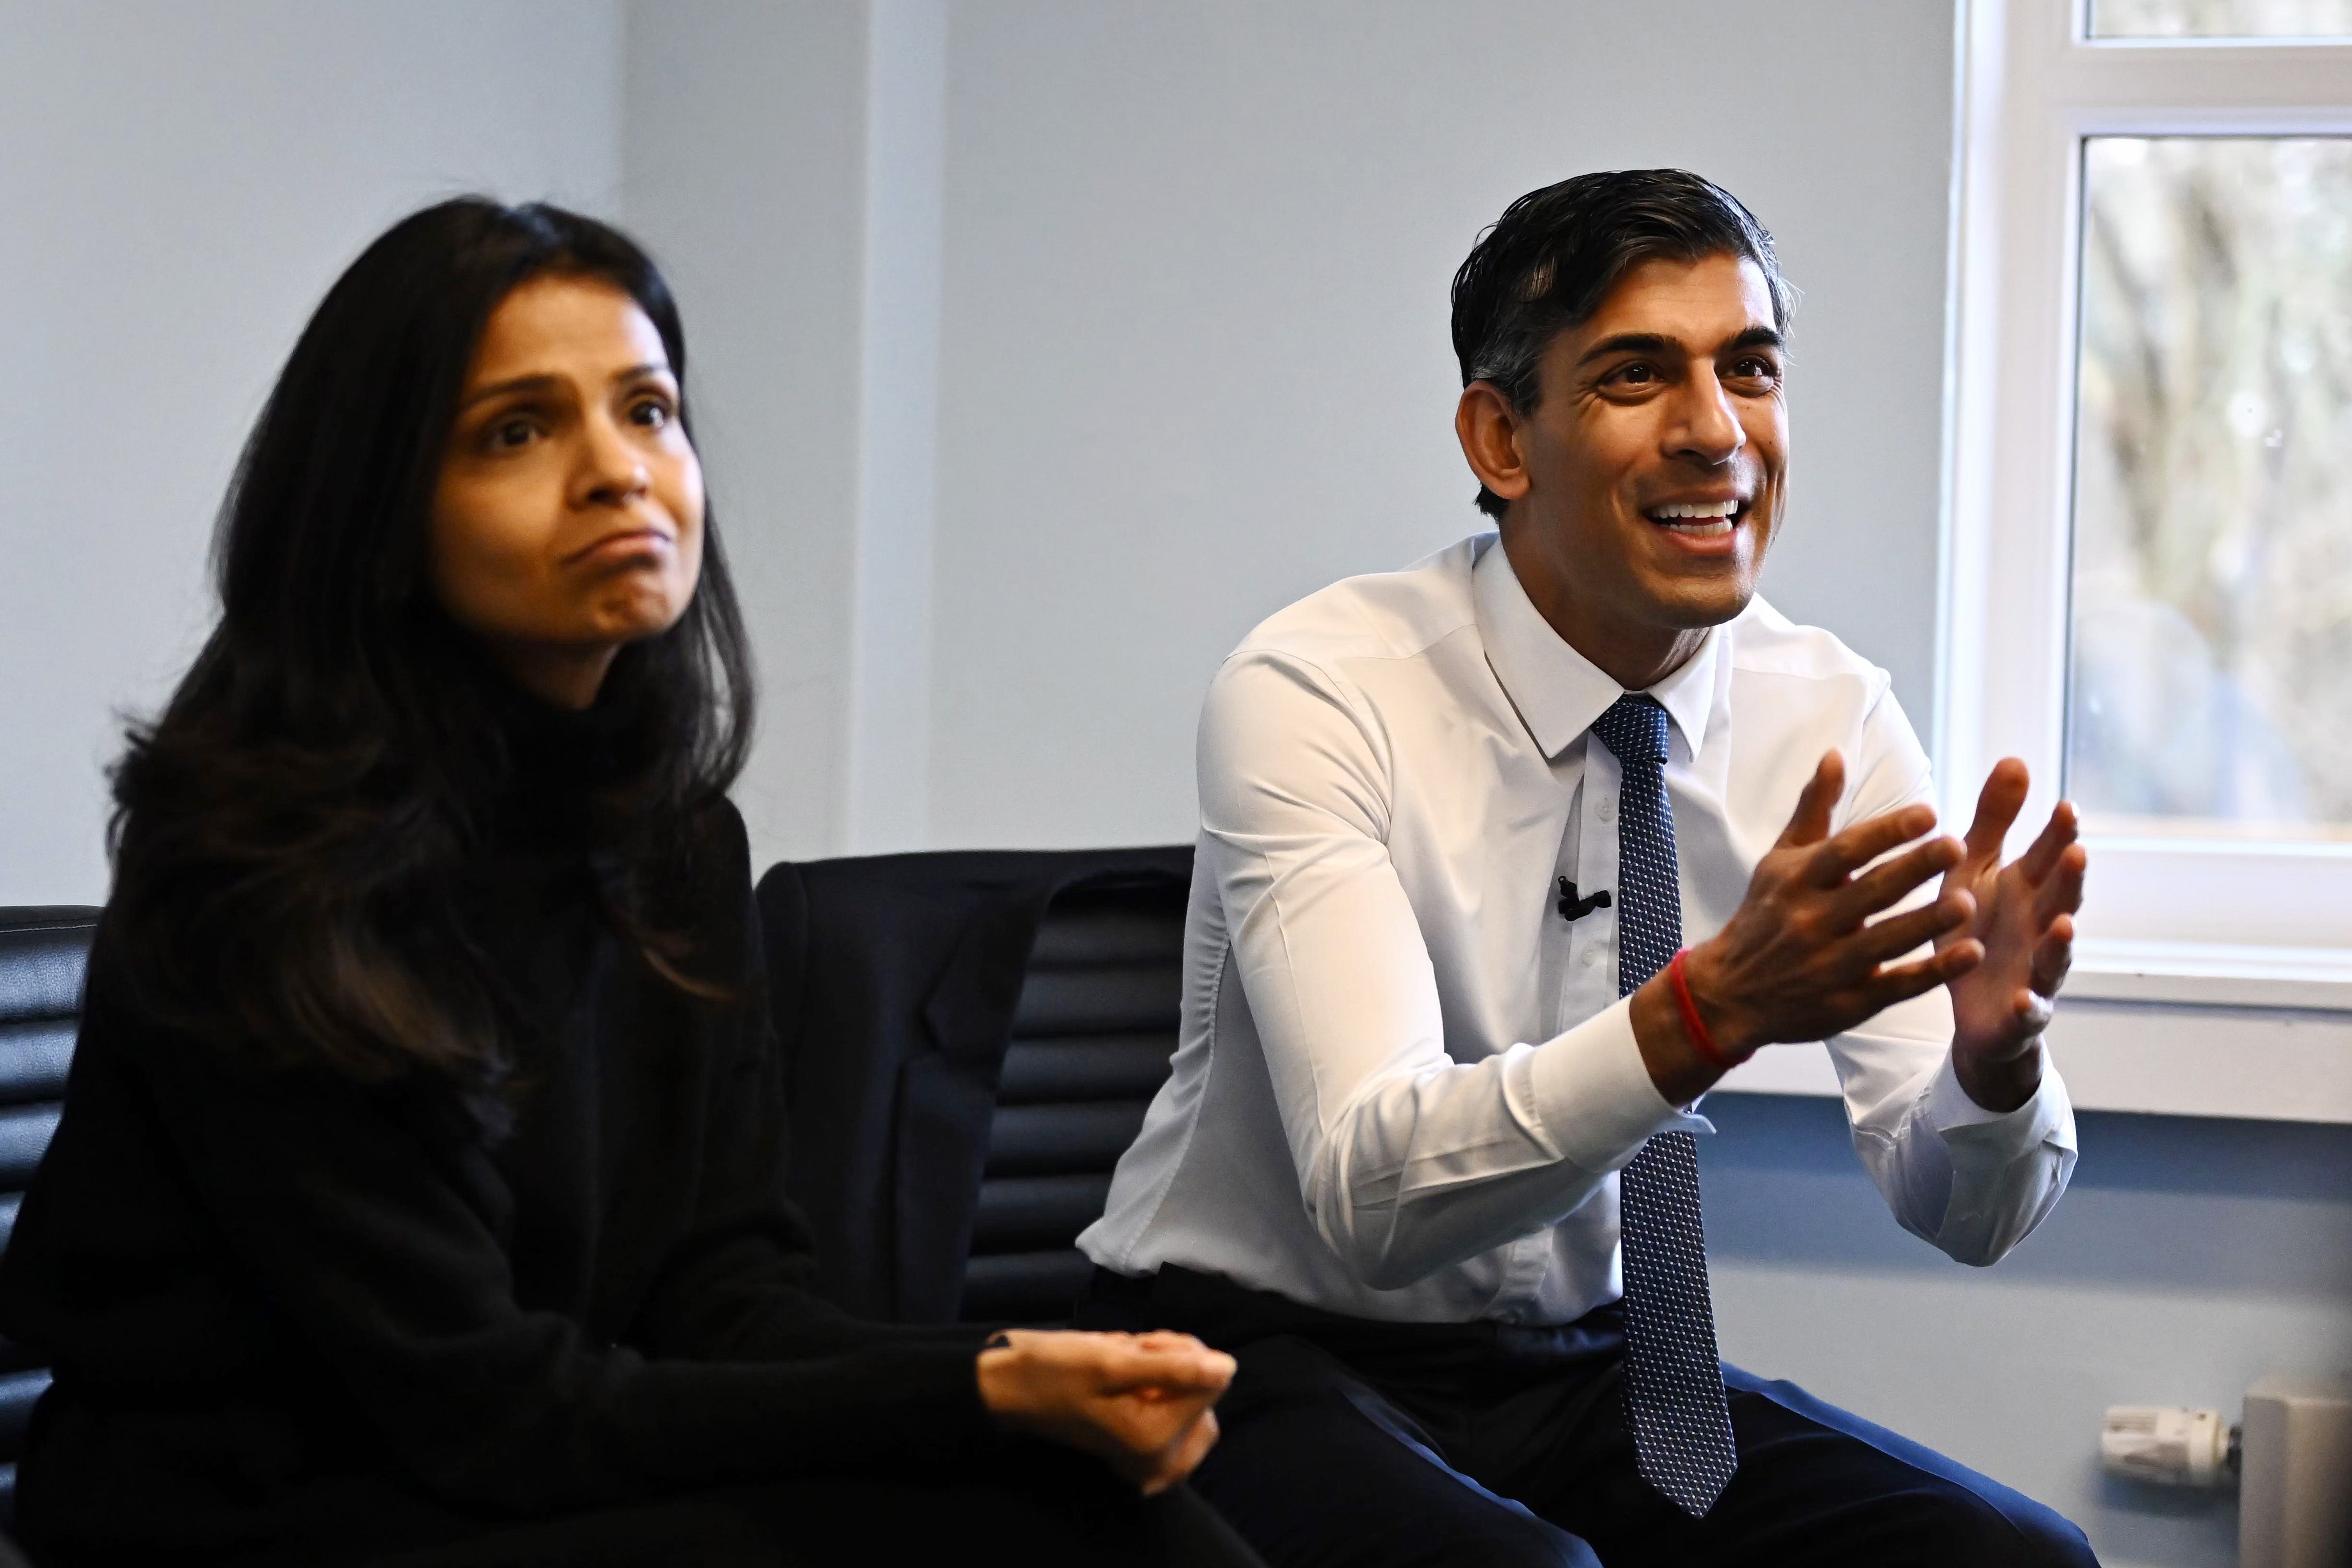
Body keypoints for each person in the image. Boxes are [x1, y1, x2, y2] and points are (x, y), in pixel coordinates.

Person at [0, 198, 1263, 1568]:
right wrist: (967, 1392)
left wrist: (1019, 1372)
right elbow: (480, 1407)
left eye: (647, 410)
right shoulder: (256, 875)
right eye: (517, 430)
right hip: (261, 1514)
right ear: (379, 507)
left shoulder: (670, 842)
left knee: (1093, 1495)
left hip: (534, 1453)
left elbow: (724, 1289)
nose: (616, 471)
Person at [1074, 170, 2098, 1566]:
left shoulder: (1827, 714)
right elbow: (1374, 1196)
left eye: (1750, 368)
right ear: (1502, 438)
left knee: (2013, 1560)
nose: (1715, 431)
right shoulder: (1317, 687)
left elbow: (1964, 1214)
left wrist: (1991, 1068)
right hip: (1239, 1356)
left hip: (1586, 1369)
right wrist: (1706, 1015)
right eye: (1637, 376)